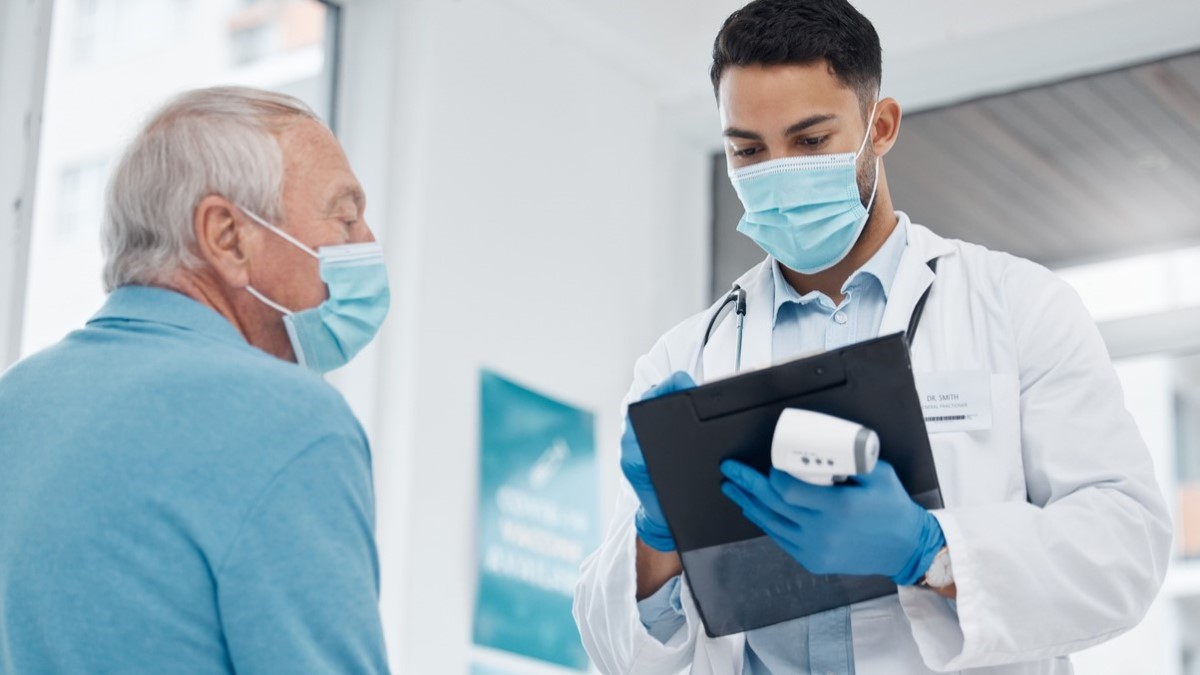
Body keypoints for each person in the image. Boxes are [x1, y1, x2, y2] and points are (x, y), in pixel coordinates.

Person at [573, 1, 1172, 673]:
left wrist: (928, 551)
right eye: (748, 149)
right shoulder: (684, 358)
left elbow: (1125, 550)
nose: (777, 171)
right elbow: (615, 651)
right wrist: (657, 539)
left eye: (809, 141)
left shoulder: (1018, 307)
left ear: (879, 126)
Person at [0, 87, 391, 673]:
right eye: (346, 217)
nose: (367, 244)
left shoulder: (15, 401)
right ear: (228, 237)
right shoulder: (289, 420)